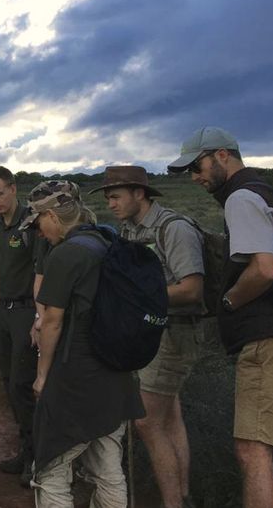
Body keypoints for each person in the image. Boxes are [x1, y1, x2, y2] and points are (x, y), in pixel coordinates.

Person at [168, 127, 273, 508]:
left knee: (252, 448)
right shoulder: (267, 192)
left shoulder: (241, 198)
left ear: (222, 155)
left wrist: (229, 302)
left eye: (197, 166)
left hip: (267, 342)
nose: (196, 177)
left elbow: (265, 270)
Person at [22, 180, 144, 507]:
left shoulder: (66, 255)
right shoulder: (109, 240)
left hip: (75, 376)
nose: (37, 231)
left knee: (50, 468)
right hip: (116, 371)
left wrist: (42, 376)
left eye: (37, 222)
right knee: (107, 466)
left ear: (51, 215)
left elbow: (52, 320)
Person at [89, 165, 205, 508]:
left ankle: (172, 502)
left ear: (139, 193)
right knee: (170, 418)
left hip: (175, 332)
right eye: (108, 197)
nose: (110, 203)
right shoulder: (129, 230)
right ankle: (182, 497)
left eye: (115, 196)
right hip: (154, 331)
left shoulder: (174, 228)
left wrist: (137, 296)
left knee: (147, 422)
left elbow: (192, 289)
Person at [0, 165, 44, 488]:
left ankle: (37, 460)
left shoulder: (31, 224)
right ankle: (25, 451)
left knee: (23, 384)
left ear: (13, 189)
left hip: (26, 311)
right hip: (4, 313)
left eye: (0, 193)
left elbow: (40, 271)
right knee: (8, 382)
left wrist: (38, 316)